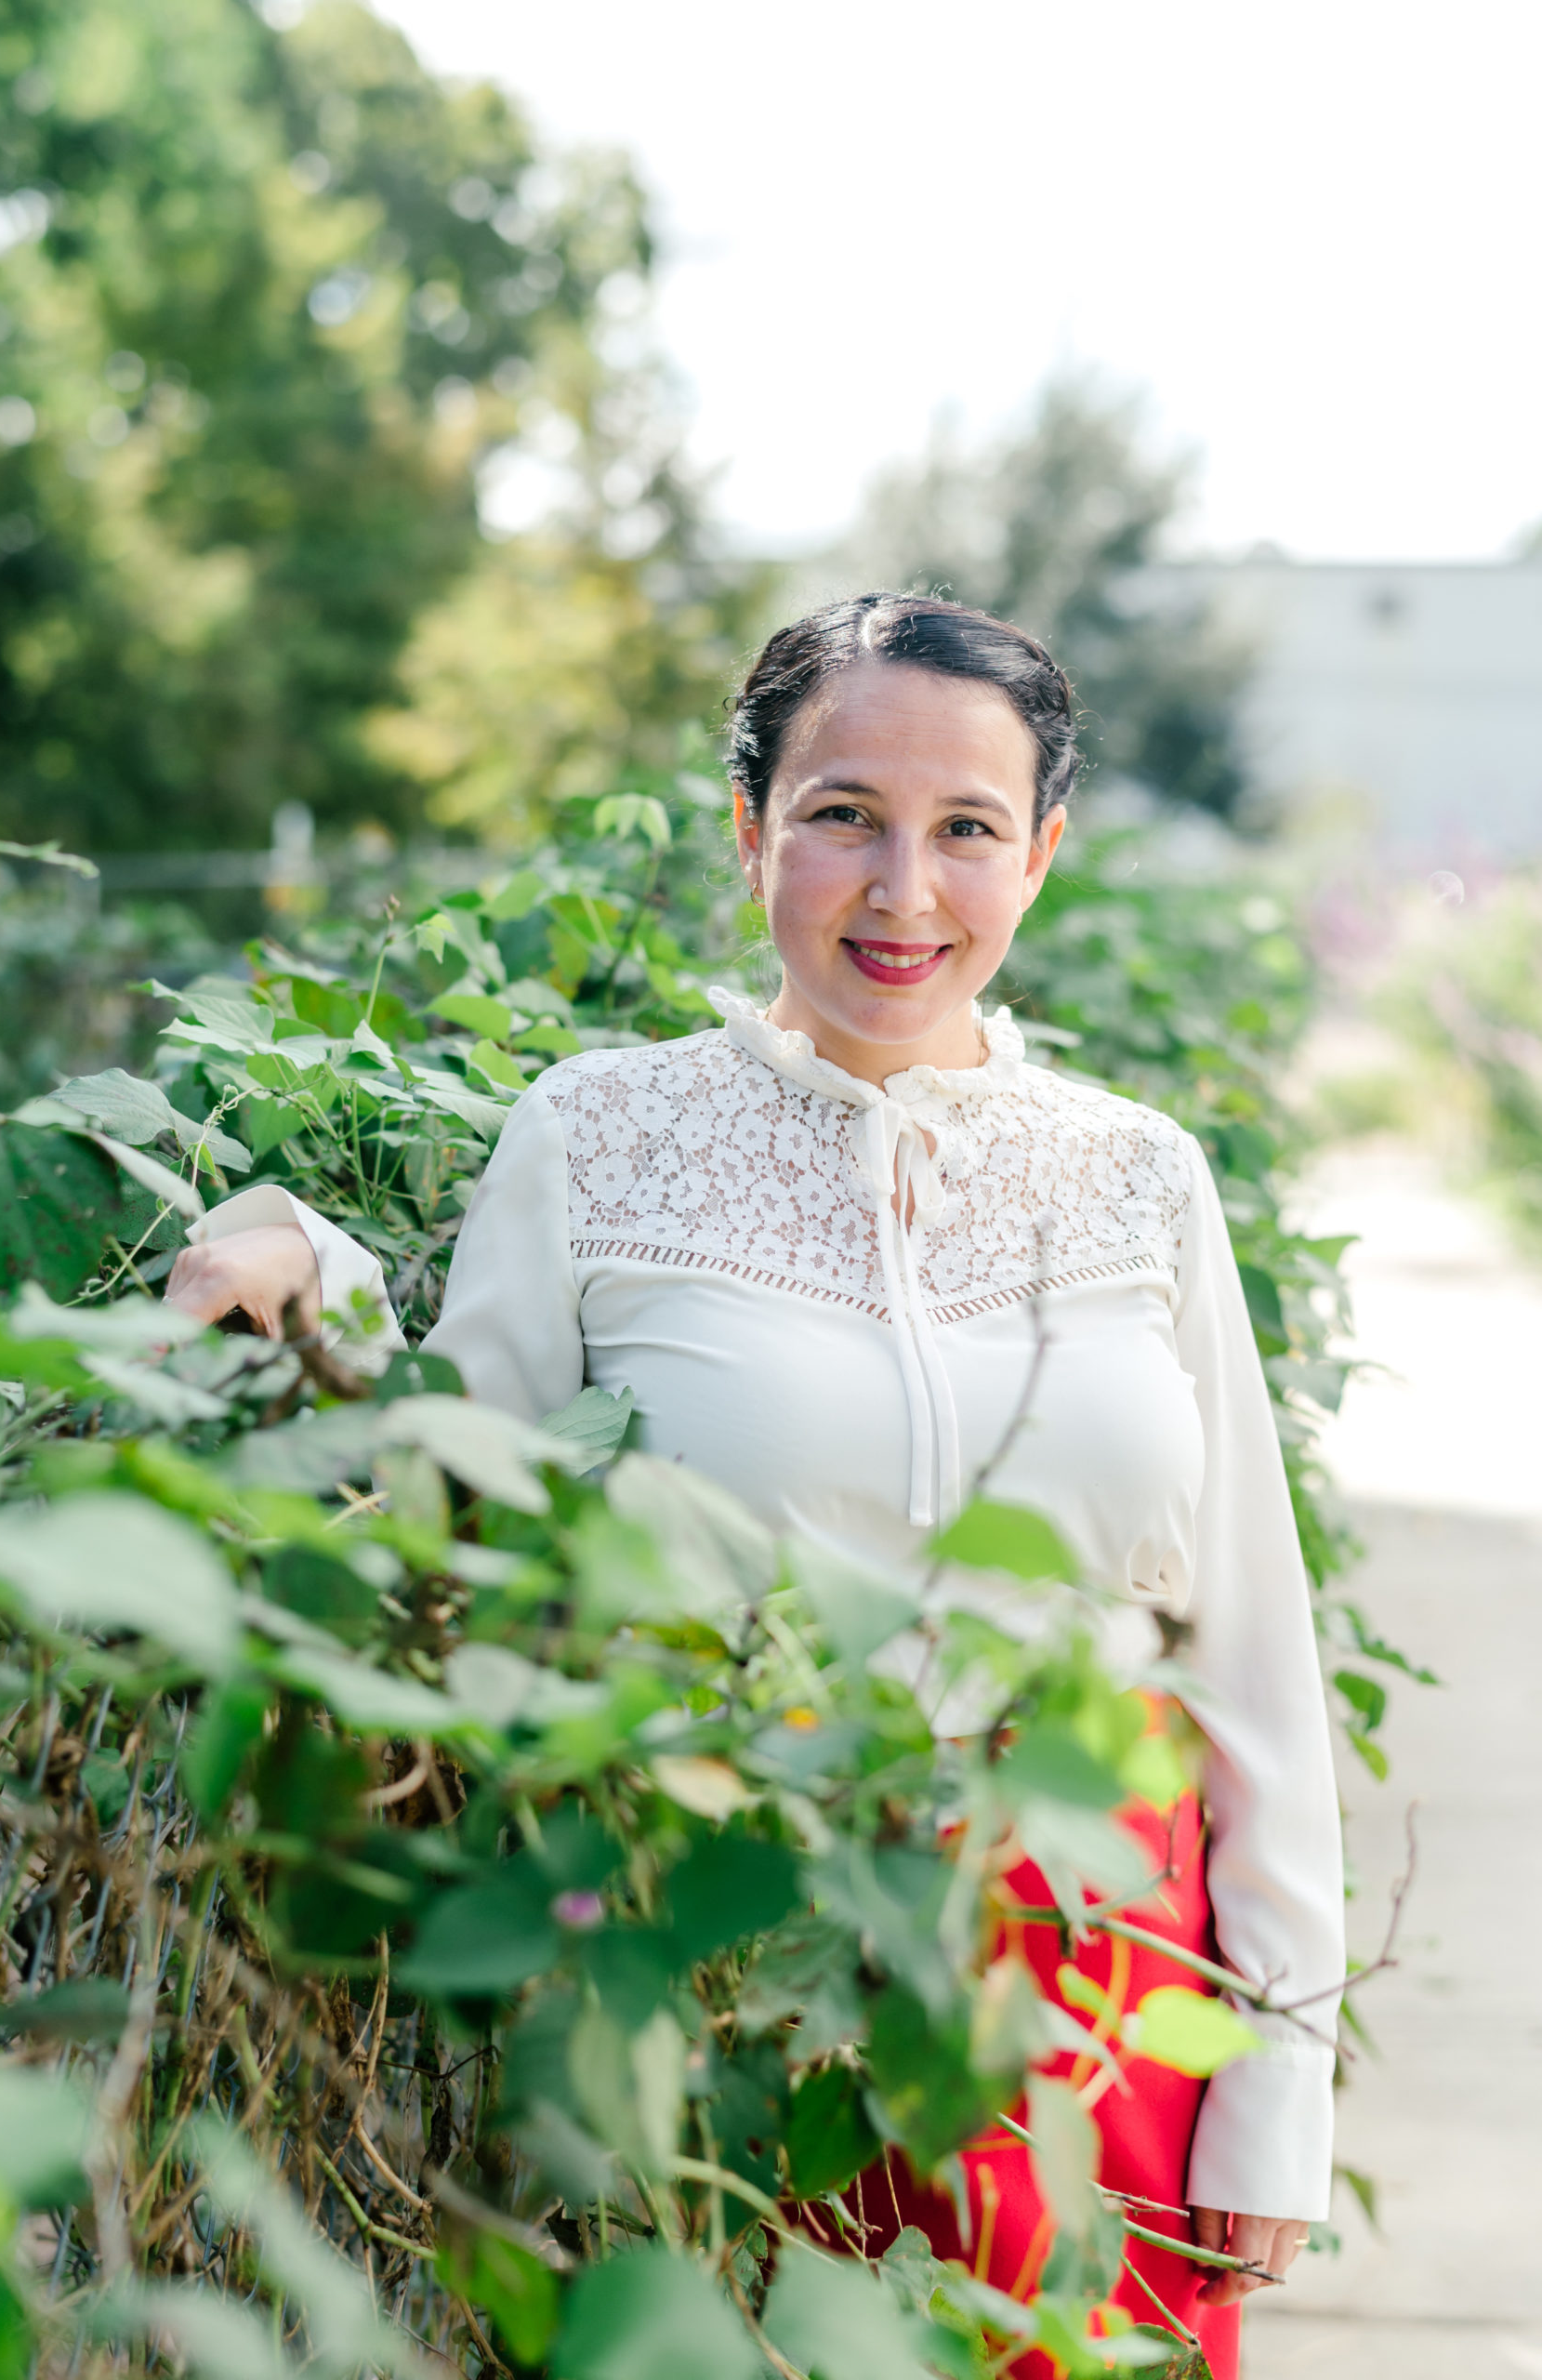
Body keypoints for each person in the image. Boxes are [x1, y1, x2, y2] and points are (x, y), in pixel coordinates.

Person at [167, 593, 1344, 2377]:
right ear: (750, 831)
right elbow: (456, 1486)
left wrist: (1277, 2083)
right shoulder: (604, 1136)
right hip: (727, 1976)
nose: (903, 890)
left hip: (1101, 1996)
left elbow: (1251, 1656)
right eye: (841, 815)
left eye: (965, 830)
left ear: (1040, 854)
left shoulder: (1139, 1175)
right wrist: (304, 1261)